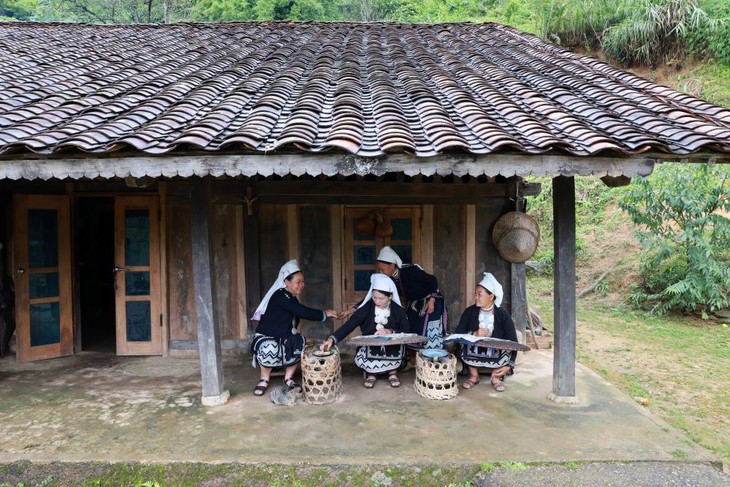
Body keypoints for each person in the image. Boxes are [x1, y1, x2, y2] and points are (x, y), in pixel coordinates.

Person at [250, 259, 338, 396]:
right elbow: (302, 311)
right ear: (286, 282)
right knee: (269, 347)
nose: (302, 285)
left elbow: (298, 312)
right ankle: (264, 379)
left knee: (299, 342)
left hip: (284, 337)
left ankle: (288, 378)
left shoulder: (290, 297)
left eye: (303, 281)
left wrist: (324, 314)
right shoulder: (281, 295)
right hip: (268, 337)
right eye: (298, 282)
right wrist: (324, 314)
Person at [321, 273, 408, 388]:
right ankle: (371, 373)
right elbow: (349, 325)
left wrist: (390, 331)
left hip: (392, 348)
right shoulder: (366, 308)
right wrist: (332, 339)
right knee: (368, 350)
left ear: (390, 296)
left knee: (395, 347)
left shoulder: (398, 310)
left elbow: (406, 330)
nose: (377, 301)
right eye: (374, 297)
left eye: (381, 298)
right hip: (370, 348)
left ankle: (392, 372)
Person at [374, 246, 446, 351]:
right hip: (414, 303)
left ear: (392, 266)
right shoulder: (388, 280)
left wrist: (432, 300)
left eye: (383, 269)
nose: (381, 272)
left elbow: (432, 280)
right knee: (409, 328)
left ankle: (432, 358)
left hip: (430, 299)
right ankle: (413, 359)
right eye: (379, 270)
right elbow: (378, 292)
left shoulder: (411, 271)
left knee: (431, 329)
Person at [455, 272, 518, 392]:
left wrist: (509, 364)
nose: (476, 297)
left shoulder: (502, 315)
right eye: (475, 294)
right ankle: (474, 375)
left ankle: (495, 377)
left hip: (496, 353)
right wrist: (474, 334)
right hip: (474, 352)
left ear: (491, 296)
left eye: (480, 294)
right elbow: (458, 334)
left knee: (505, 346)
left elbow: (513, 341)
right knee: (464, 344)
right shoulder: (469, 312)